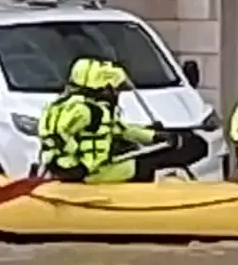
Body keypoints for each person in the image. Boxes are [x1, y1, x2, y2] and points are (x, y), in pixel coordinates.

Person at [38, 57, 206, 183]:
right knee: (154, 164)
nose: (117, 94)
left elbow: (121, 130)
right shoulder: (90, 111)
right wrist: (78, 167)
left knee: (151, 156)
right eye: (115, 89)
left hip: (67, 171)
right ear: (104, 88)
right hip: (95, 174)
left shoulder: (62, 105)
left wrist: (155, 136)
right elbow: (63, 134)